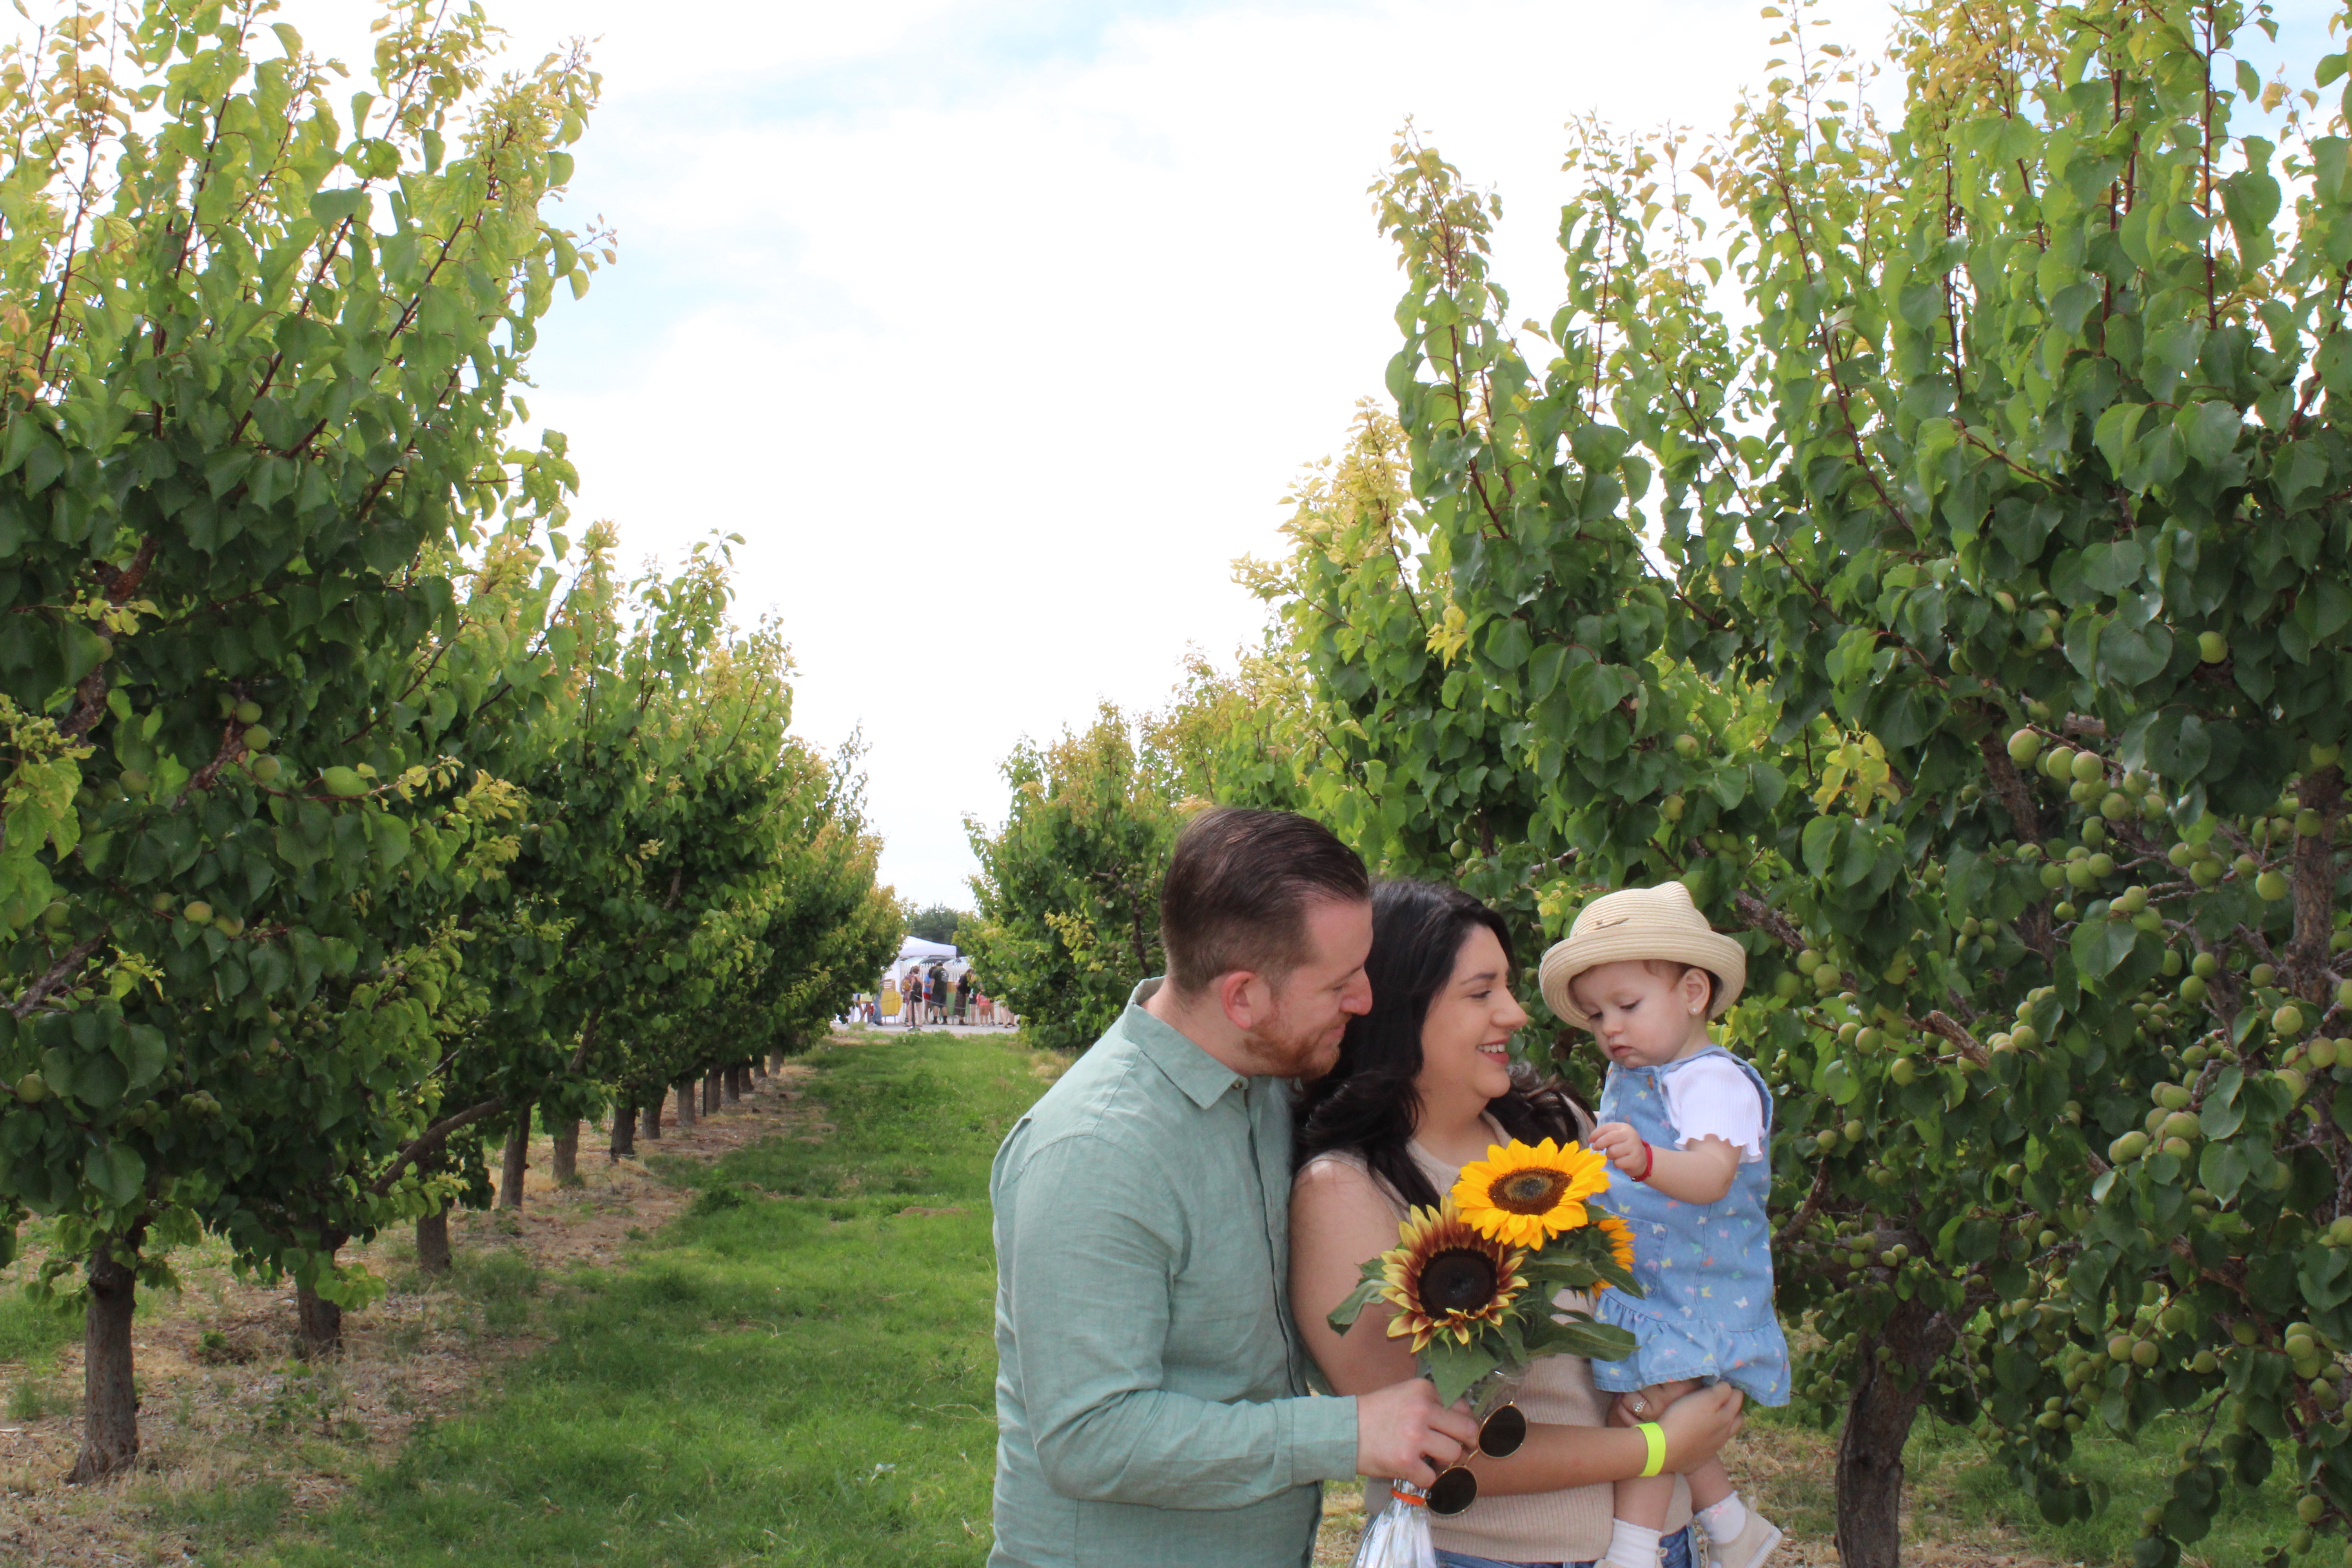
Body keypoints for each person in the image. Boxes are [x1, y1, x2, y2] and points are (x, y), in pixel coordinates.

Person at [990, 808, 1483, 1568]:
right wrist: (1347, 1431)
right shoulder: (1095, 1154)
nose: (1365, 1000)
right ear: (1243, 997)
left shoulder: (1260, 1081)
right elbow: (1090, 1436)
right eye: (1341, 982)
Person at [1291, 880, 1745, 1568]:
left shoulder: (1559, 1131)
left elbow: (1673, 1271)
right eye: (1482, 993)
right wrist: (1655, 1448)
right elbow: (1424, 1442)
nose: (1514, 1012)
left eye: (1506, 986)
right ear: (1403, 1013)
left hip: (1661, 1543)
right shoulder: (1346, 1192)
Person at [1540, 882, 1788, 1568]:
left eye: (1628, 1006)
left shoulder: (1713, 1082)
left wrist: (1645, 1160)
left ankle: (1633, 1550)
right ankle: (1732, 1528)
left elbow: (1711, 1177)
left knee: (1645, 1410)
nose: (1610, 1029)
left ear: (1693, 993)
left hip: (1700, 1286)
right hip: (1656, 1282)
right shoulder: (1643, 1075)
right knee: (1657, 1409)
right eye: (1596, 1015)